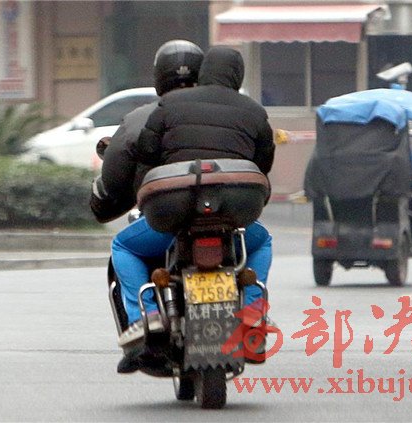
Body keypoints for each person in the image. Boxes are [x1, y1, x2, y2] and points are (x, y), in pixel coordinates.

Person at [90, 41, 274, 370]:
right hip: (231, 215)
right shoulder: (254, 111)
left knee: (123, 246)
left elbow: (146, 151)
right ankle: (252, 312)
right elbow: (264, 164)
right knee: (262, 242)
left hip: (173, 214)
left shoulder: (169, 105)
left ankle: (146, 316)